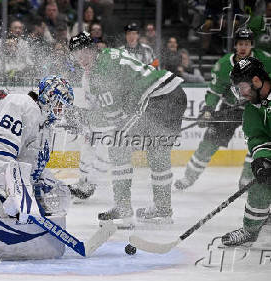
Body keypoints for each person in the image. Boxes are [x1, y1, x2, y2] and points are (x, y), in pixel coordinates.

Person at [68, 32, 187, 225]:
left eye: (84, 52)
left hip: (154, 99)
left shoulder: (100, 73)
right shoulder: (110, 54)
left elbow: (113, 119)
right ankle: (163, 210)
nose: (81, 59)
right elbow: (126, 96)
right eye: (76, 55)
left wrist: (82, 118)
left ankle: (123, 207)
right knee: (157, 153)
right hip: (174, 93)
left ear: (93, 49)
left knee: (118, 146)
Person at [0, 76, 74, 219]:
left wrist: (46, 185)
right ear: (47, 96)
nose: (60, 110)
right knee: (18, 234)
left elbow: (30, 166)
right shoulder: (22, 104)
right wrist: (16, 194)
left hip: (1, 184)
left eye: (63, 107)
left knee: (32, 226)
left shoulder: (44, 126)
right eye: (58, 103)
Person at [174, 28, 271, 191]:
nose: (243, 48)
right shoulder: (225, 64)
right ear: (235, 45)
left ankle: (247, 180)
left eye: (247, 44)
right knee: (209, 142)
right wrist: (208, 110)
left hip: (257, 108)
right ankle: (188, 177)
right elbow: (214, 90)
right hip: (231, 107)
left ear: (252, 45)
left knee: (258, 143)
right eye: (240, 44)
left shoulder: (265, 60)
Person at [221, 57, 271, 246]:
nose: (240, 93)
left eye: (242, 87)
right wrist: (261, 159)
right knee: (260, 182)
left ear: (256, 81)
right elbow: (259, 138)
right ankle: (250, 230)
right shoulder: (252, 110)